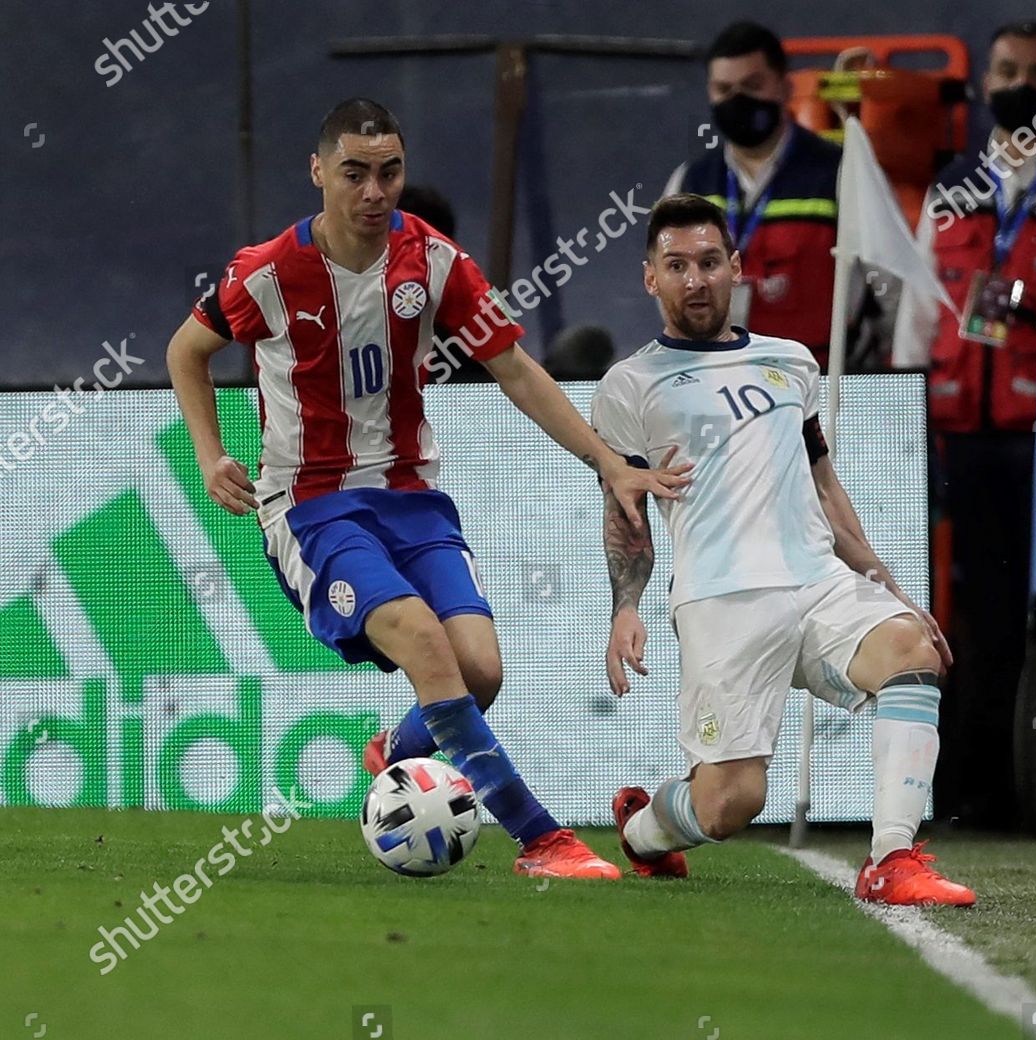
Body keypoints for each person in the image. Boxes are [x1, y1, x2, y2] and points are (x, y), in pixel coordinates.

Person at [164, 98, 690, 880]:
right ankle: (540, 838)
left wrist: (608, 462)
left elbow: (514, 368)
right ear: (318, 173)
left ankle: (397, 752)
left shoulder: (433, 261)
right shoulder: (269, 271)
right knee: (420, 638)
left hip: (412, 497)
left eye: (390, 173)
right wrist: (210, 456)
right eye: (354, 174)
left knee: (481, 671)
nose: (375, 192)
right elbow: (187, 351)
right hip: (310, 505)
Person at [588, 194, 972, 906]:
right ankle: (644, 830)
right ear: (651, 278)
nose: (696, 280)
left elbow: (823, 481)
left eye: (709, 262)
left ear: (736, 267)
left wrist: (886, 582)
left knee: (911, 650)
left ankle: (892, 857)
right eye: (677, 266)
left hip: (818, 580)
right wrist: (626, 606)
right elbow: (623, 508)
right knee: (730, 804)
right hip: (720, 598)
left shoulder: (792, 362)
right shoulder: (627, 386)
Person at [891, 20, 1036, 825]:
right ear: (985, 83)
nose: (1022, 86)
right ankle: (961, 785)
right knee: (960, 610)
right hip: (957, 435)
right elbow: (917, 307)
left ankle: (1030, 787)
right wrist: (905, 409)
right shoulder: (956, 184)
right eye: (1008, 71)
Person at [664, 21, 845, 369]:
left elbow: (886, 282)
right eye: (724, 89)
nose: (738, 100)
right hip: (714, 377)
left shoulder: (840, 171)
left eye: (752, 85)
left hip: (813, 380)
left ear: (784, 86)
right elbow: (667, 287)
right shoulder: (690, 181)